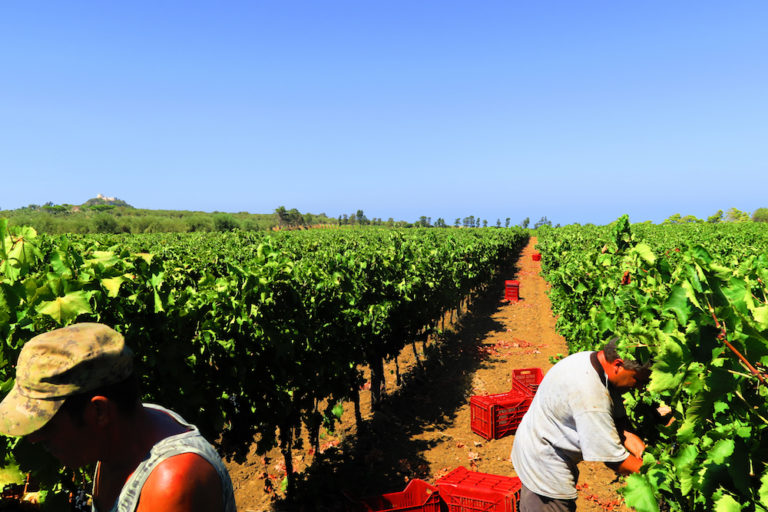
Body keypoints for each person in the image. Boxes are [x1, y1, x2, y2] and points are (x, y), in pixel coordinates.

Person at [0, 323, 237, 512]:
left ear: (100, 412)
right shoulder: (122, 436)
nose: (34, 437)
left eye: (46, 421)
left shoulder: (171, 483)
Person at [510, 337, 651, 512]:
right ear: (618, 365)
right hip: (544, 464)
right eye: (637, 380)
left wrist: (642, 452)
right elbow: (614, 459)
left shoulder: (591, 361)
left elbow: (620, 424)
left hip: (539, 441)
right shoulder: (590, 395)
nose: (638, 387)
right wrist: (655, 473)